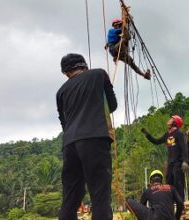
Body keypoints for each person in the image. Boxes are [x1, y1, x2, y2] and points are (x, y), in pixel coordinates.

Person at [57, 53, 117, 220]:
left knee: (71, 196)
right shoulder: (98, 74)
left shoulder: (60, 92)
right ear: (84, 65)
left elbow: (64, 123)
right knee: (99, 193)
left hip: (69, 144)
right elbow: (112, 105)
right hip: (94, 138)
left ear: (66, 72)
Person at [141, 115, 188, 200]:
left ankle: (181, 204)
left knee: (179, 184)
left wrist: (185, 161)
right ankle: (170, 203)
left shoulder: (179, 134)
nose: (169, 120)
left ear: (174, 122)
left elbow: (184, 148)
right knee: (169, 184)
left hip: (178, 163)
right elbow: (157, 141)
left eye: (171, 119)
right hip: (170, 163)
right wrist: (147, 135)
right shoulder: (167, 134)